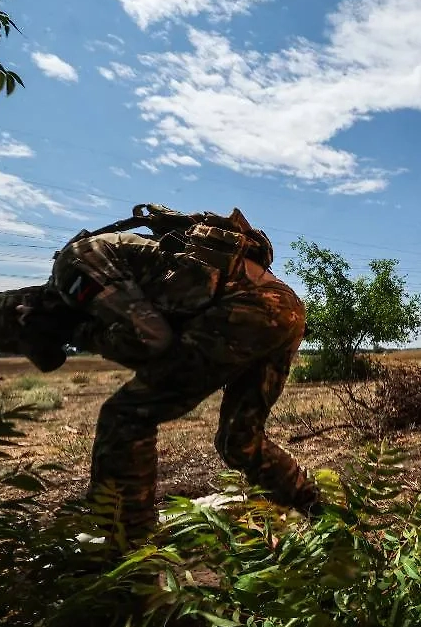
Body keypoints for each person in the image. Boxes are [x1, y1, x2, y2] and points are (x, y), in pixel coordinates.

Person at [30, 204, 324, 541]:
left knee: (126, 416)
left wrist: (81, 335)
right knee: (240, 440)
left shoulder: (75, 262)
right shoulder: (139, 257)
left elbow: (148, 340)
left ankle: (126, 558)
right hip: (285, 304)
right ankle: (323, 513)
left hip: (248, 308)